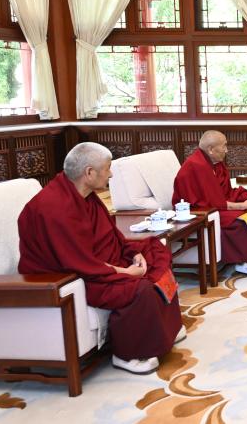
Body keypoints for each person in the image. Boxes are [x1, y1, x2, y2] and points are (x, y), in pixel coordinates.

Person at [17, 143, 184, 375]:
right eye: (107, 168)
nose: (111, 174)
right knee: (139, 288)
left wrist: (133, 254)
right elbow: (77, 262)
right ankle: (127, 354)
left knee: (156, 252)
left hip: (100, 262)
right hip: (73, 276)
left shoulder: (86, 195)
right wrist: (125, 272)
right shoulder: (53, 208)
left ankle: (168, 328)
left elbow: (112, 236)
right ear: (89, 173)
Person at [172, 130, 247, 277]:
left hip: (216, 205)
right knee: (240, 221)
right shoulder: (196, 166)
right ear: (211, 149)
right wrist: (243, 205)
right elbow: (212, 202)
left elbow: (226, 192)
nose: (227, 150)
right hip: (199, 212)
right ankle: (243, 262)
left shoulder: (215, 163)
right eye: (224, 146)